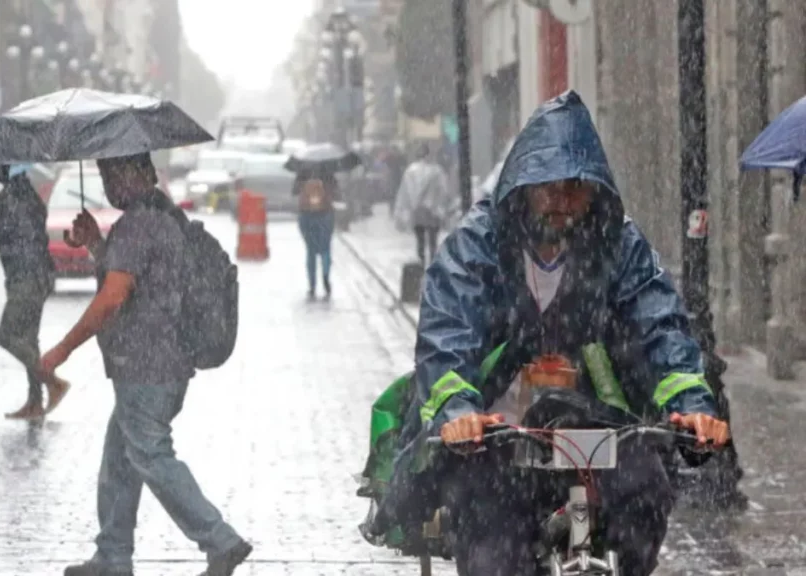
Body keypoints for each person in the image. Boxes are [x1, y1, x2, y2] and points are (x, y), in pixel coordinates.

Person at [381, 92, 731, 575]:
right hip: (496, 435)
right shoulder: (474, 246)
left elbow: (659, 324)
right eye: (548, 188)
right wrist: (458, 409)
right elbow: (448, 333)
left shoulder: (620, 245)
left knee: (644, 494)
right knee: (493, 547)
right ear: (522, 185)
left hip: (600, 425)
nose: (562, 203)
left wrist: (691, 401)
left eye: (576, 189)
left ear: (596, 191)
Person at [39, 153, 252, 576]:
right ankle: (113, 555)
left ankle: (219, 539)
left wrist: (62, 350)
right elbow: (146, 280)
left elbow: (115, 296)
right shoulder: (158, 218)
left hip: (146, 365)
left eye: (115, 173)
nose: (109, 183)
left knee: (152, 456)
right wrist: (97, 244)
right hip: (160, 362)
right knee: (121, 458)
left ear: (142, 174)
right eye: (104, 175)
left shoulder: (140, 223)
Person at [0, 167, 69, 419]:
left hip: (26, 277)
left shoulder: (12, 198)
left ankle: (53, 381)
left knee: (7, 336)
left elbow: (3, 239)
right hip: (38, 274)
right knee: (28, 338)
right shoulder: (27, 194)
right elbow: (18, 235)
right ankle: (35, 402)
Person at [392, 143, 456, 265]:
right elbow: (444, 190)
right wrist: (444, 206)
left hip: (418, 210)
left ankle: (421, 264)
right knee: (433, 240)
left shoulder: (410, 171)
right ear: (428, 155)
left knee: (420, 240)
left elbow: (405, 192)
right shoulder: (437, 171)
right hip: (433, 210)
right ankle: (432, 264)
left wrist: (402, 210)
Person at [292, 168, 338, 299]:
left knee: (310, 251)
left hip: (306, 215)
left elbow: (295, 191)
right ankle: (325, 274)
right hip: (325, 215)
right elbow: (336, 192)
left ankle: (312, 285)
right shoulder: (328, 172)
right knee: (325, 249)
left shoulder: (302, 172)